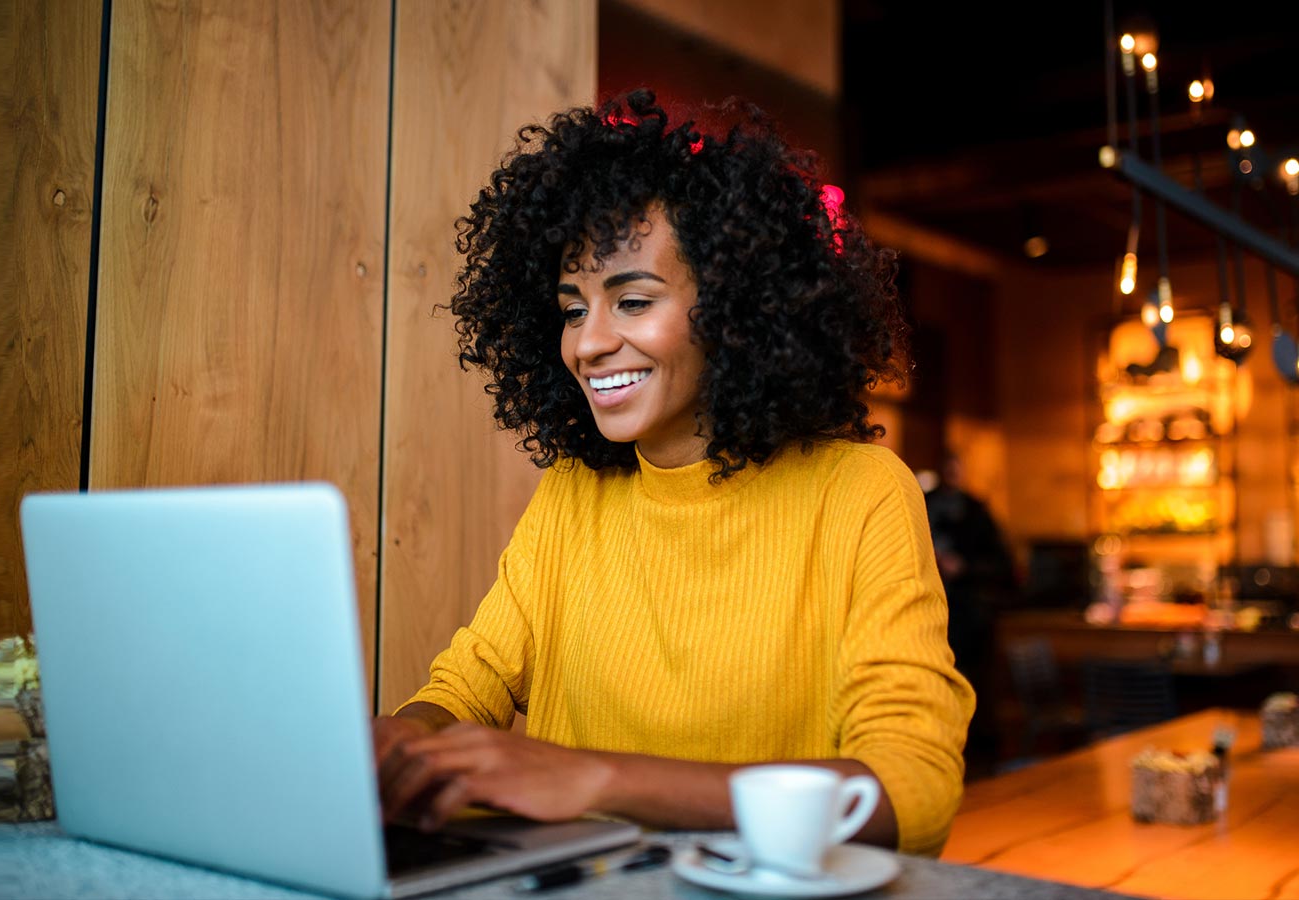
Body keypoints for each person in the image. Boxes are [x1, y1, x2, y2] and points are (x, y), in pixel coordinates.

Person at [374, 90, 974, 857]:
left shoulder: (859, 493)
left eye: (631, 300)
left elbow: (911, 791)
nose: (588, 345)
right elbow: (468, 686)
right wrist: (400, 744)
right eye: (571, 309)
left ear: (731, 310)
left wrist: (597, 780)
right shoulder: (574, 492)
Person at [924, 451, 1016, 774]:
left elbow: (1004, 566)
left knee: (969, 684)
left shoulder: (977, 510)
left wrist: (962, 568)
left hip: (967, 618)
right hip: (925, 616)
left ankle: (968, 754)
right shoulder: (920, 502)